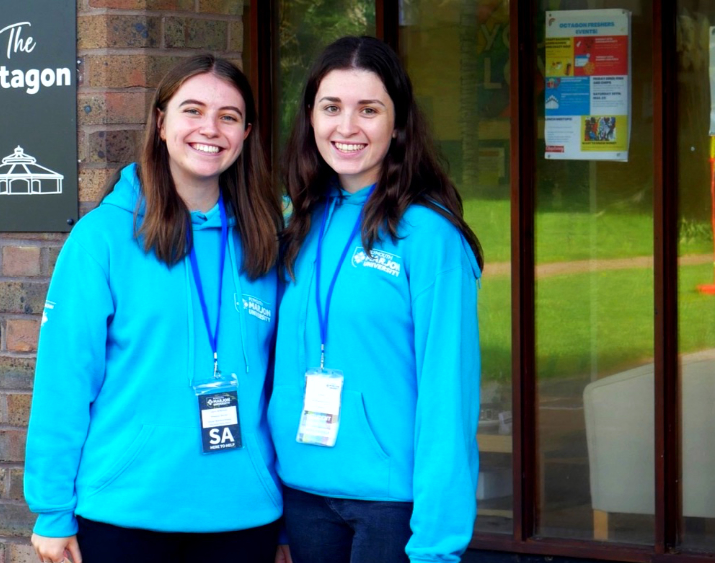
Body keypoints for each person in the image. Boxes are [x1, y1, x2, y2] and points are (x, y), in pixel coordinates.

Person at [25, 54, 285, 563]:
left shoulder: (268, 239)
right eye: (192, 110)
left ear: (246, 132)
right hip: (126, 516)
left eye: (228, 116)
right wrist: (51, 510)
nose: (210, 129)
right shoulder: (102, 238)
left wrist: (286, 524)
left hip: (245, 515)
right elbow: (64, 381)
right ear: (161, 122)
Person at [268, 36, 484, 563]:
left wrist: (437, 543)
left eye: (369, 109)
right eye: (331, 107)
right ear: (311, 118)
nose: (347, 127)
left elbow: (448, 394)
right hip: (301, 494)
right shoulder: (292, 221)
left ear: (398, 122)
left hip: (392, 506)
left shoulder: (430, 237)